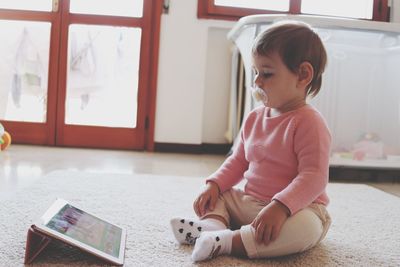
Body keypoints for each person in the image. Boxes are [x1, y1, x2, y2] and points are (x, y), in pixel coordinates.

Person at [170, 20, 332, 262]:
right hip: (251, 202)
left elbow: (314, 177)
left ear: (303, 75)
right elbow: (237, 161)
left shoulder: (309, 123)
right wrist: (214, 185)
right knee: (222, 196)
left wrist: (281, 206)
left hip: (295, 209)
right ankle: (212, 228)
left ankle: (226, 242)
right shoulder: (255, 117)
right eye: (256, 72)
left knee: (306, 228)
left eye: (266, 73)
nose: (257, 82)